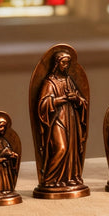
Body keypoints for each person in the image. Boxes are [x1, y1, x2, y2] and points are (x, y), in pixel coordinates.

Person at [36, 49, 88, 190]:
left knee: (72, 149)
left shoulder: (69, 80)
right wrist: (61, 99)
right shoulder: (49, 82)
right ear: (57, 63)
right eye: (64, 63)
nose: (66, 66)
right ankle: (49, 179)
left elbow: (82, 101)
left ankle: (69, 178)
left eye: (68, 63)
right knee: (61, 148)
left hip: (71, 119)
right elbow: (43, 104)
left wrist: (76, 98)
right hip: (57, 120)